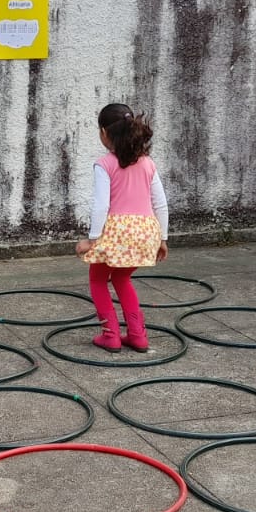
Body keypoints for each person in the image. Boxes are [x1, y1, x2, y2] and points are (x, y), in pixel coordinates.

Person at [73, 103, 169, 352]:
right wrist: (163, 238)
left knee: (97, 280)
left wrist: (92, 240)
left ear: (104, 133)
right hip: (146, 232)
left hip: (117, 232)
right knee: (122, 277)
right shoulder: (148, 163)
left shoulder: (105, 164)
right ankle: (138, 335)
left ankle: (111, 335)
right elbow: (160, 203)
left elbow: (100, 205)